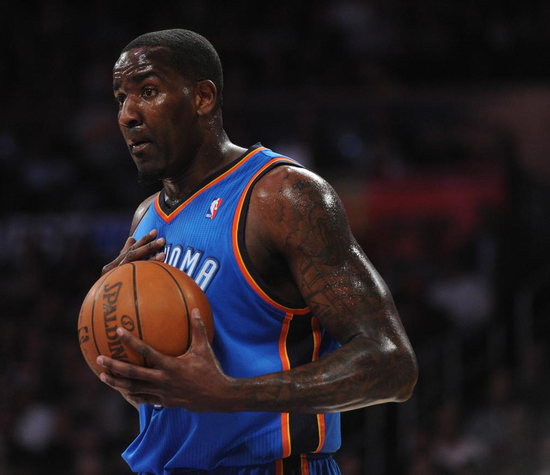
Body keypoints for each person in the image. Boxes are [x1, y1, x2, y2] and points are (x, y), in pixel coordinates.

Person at [95, 28, 418, 475]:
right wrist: (118, 343)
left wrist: (231, 394)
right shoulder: (144, 218)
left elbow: (392, 363)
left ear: (203, 97)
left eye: (148, 91)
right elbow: (176, 394)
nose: (128, 114)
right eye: (120, 98)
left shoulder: (281, 197)